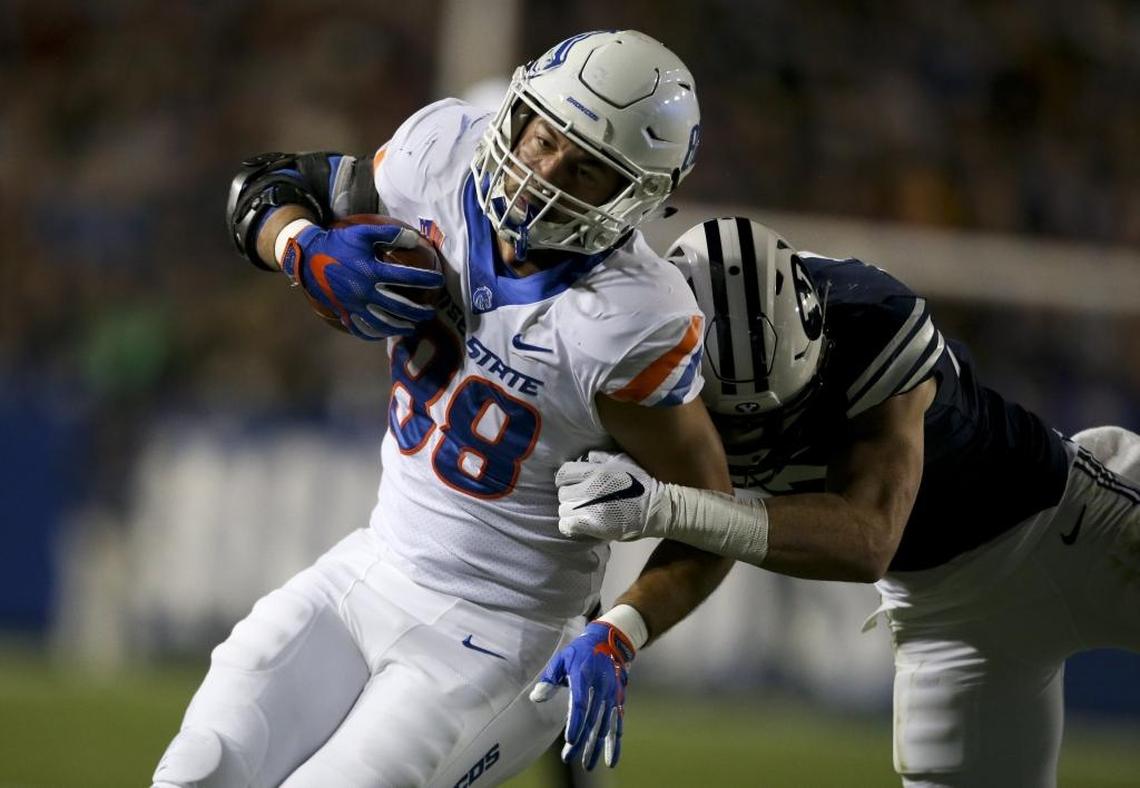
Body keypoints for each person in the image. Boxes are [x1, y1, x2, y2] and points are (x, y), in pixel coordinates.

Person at [151, 30, 733, 787]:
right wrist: (301, 248)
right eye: (544, 136)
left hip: (502, 637)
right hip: (372, 567)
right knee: (202, 766)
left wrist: (621, 631)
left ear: (635, 196)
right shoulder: (439, 156)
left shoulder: (631, 319)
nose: (543, 171)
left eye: (585, 167)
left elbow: (711, 518)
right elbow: (265, 186)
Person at [551, 217, 1140, 787]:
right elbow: (717, 522)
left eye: (783, 408)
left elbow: (867, 541)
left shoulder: (871, 317)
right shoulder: (646, 358)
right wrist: (620, 629)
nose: (762, 435)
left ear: (816, 327)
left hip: (1080, 527)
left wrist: (666, 507)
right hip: (948, 619)